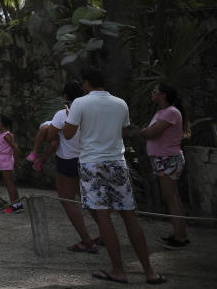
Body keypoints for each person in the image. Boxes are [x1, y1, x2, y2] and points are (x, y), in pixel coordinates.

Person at [63, 69, 166, 285]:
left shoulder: (80, 103)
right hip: (117, 162)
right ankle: (149, 271)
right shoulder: (120, 103)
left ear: (86, 84)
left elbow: (69, 134)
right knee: (130, 216)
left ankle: (118, 270)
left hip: (92, 163)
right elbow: (124, 132)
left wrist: (69, 113)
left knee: (103, 217)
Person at [45, 81, 100, 253]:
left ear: (65, 96)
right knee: (90, 199)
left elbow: (50, 135)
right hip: (87, 159)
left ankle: (86, 240)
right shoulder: (90, 112)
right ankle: (105, 232)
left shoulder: (62, 114)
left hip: (67, 160)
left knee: (68, 200)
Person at [139, 82, 190, 249]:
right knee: (173, 197)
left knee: (171, 197)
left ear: (163, 95)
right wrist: (146, 131)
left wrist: (144, 131)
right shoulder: (163, 112)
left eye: (155, 91)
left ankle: (180, 238)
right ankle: (180, 233)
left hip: (168, 159)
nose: (152, 93)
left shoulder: (171, 112)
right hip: (164, 159)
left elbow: (152, 132)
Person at [0, 114, 22, 214]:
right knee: (11, 183)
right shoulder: (1, 134)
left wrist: (16, 162)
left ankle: (13, 206)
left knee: (9, 184)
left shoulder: (6, 136)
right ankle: (18, 204)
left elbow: (16, 148)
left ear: (0, 124)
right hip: (4, 161)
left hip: (6, 162)